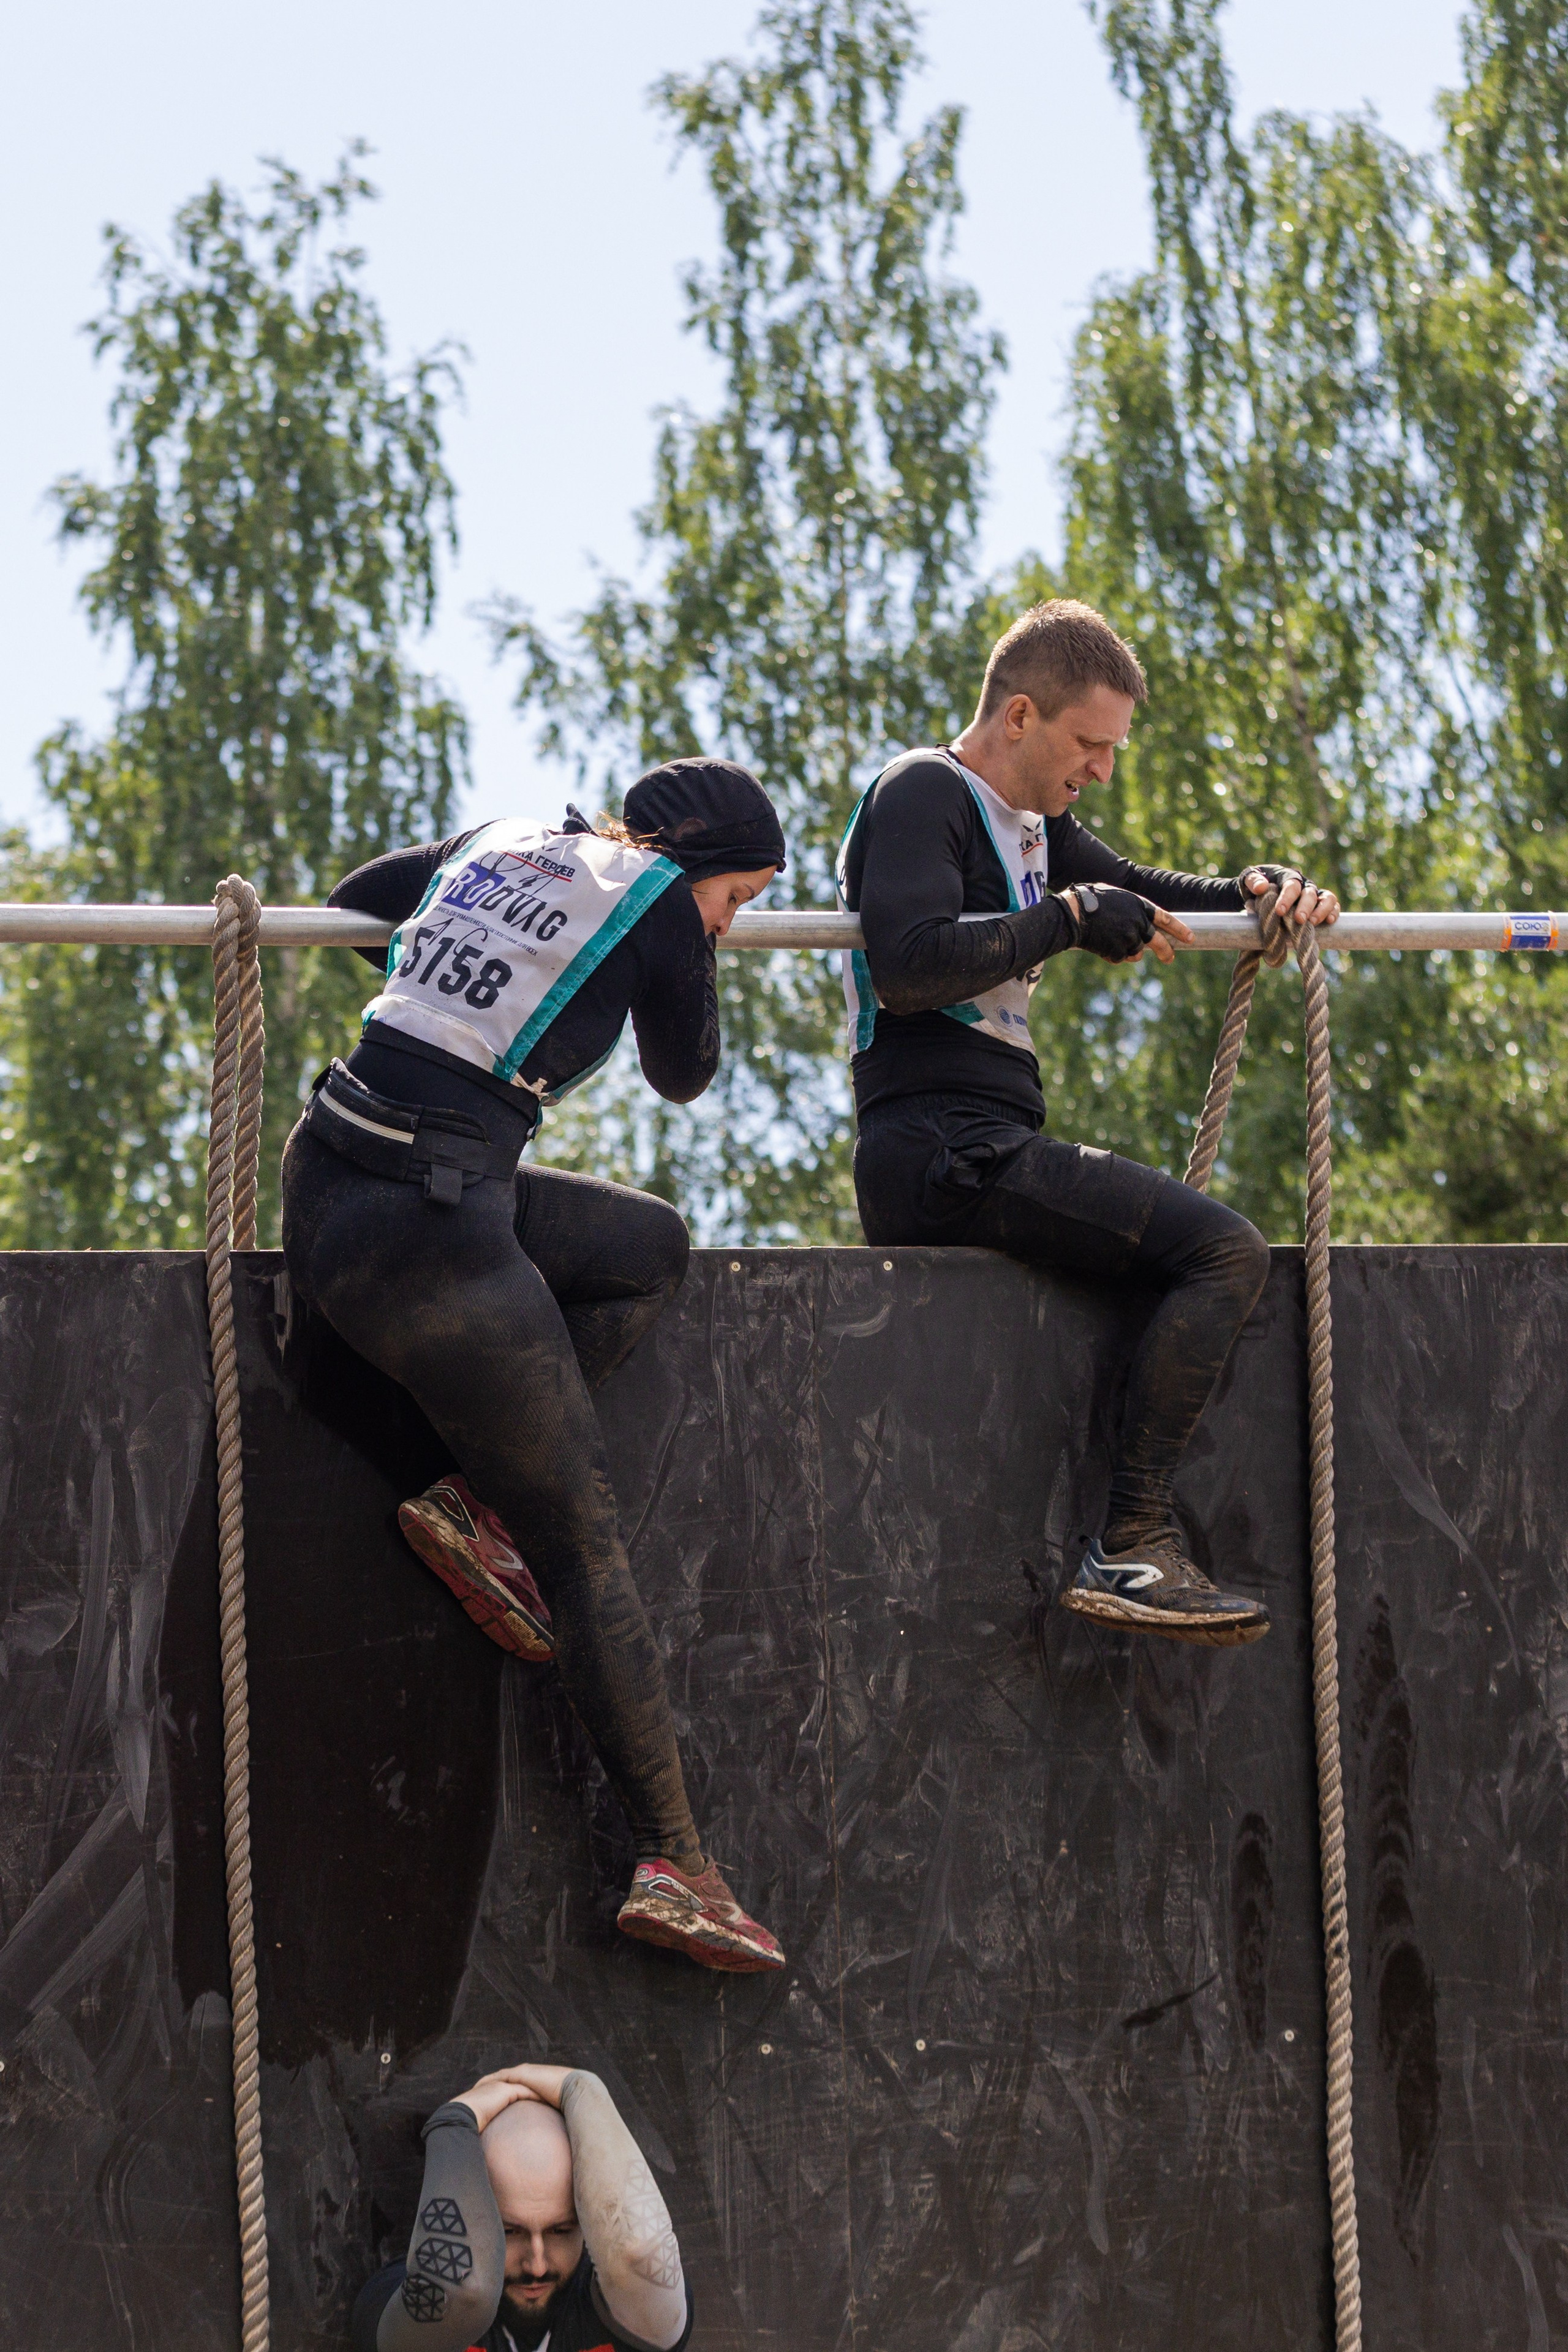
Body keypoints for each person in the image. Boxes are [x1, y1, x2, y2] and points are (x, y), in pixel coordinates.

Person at [282, 758, 787, 1971]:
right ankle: (678, 1865)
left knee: (645, 1248)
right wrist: (683, 933)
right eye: (744, 895)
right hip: (432, 1228)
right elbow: (685, 1071)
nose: (735, 922)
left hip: (335, 1181)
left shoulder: (507, 838)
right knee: (582, 1541)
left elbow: (365, 895)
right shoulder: (659, 897)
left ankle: (468, 1500)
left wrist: (488, 951)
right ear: (699, 855)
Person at [837, 600, 1341, 1646]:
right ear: (1019, 715)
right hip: (938, 1148)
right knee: (1222, 1251)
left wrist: (1253, 891)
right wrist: (1065, 920)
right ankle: (1134, 1541)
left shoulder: (1035, 824)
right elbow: (912, 964)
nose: (1103, 770)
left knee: (1189, 1250)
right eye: (1089, 745)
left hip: (985, 1142)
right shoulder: (922, 792)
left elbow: (1135, 890)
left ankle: (1132, 1538)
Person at [350, 2060, 690, 2352]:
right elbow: (455, 2291)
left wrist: (583, 2089)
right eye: (509, 2231)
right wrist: (452, 2123)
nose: (537, 2265)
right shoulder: (398, 2296)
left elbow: (641, 2252)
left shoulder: (631, 2303)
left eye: (561, 2230)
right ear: (475, 2204)